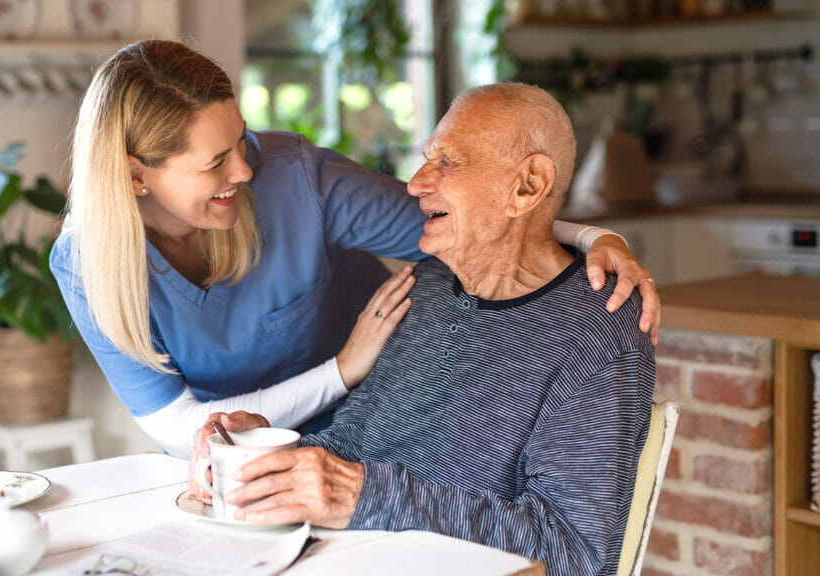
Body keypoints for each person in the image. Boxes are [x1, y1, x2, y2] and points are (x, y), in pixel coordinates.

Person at [50, 39, 661, 458]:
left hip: (379, 435)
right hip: (244, 457)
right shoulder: (87, 265)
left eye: (242, 139)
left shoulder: (295, 180)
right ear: (136, 175)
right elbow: (183, 430)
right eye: (216, 162)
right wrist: (341, 369)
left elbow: (469, 221)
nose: (244, 167)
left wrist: (594, 237)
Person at [194, 83, 655, 576]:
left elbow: (574, 552)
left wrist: (366, 496)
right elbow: (352, 446)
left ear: (527, 186)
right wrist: (268, 452)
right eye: (425, 159)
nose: (415, 183)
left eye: (448, 163)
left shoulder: (596, 330)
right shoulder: (426, 286)